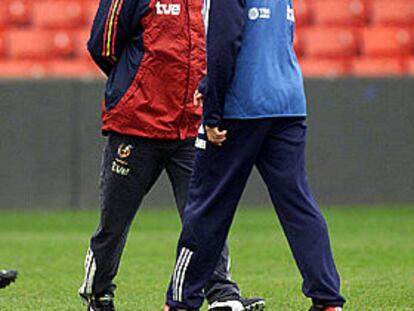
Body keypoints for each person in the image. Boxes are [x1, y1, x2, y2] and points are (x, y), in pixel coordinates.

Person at [78, 0, 264, 310]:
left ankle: (222, 294)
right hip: (136, 125)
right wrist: (135, 85)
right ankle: (99, 293)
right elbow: (102, 46)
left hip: (190, 126)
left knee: (205, 215)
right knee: (115, 220)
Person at [163, 0, 347, 310]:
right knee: (298, 204)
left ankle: (181, 301)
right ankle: (328, 299)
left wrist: (212, 112)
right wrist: (210, 84)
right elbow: (264, 42)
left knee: (207, 206)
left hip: (241, 108)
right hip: (288, 104)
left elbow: (225, 42)